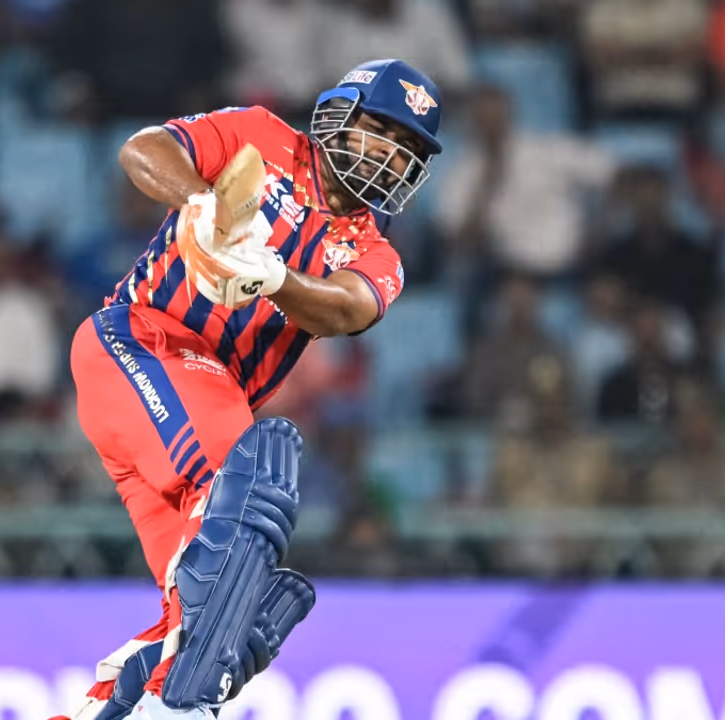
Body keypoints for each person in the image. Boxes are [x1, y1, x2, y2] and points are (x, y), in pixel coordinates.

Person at [64, 59, 443, 720]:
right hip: (140, 343)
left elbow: (344, 310)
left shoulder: (377, 254)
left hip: (202, 406)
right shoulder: (259, 137)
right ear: (340, 114)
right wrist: (204, 207)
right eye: (381, 129)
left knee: (223, 617)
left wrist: (272, 277)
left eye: (406, 146)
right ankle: (180, 699)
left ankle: (138, 705)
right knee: (254, 482)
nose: (389, 152)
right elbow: (144, 150)